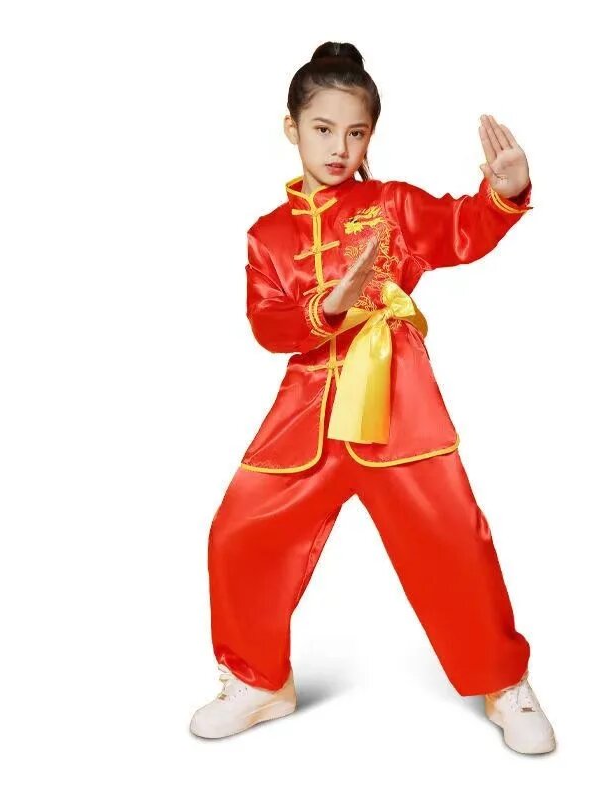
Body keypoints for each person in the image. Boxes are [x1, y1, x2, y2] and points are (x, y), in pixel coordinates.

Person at [190, 40, 556, 755]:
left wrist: (503, 195)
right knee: (239, 530)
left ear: (371, 137)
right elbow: (267, 324)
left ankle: (503, 683)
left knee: (455, 539)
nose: (340, 147)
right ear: (292, 128)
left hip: (399, 409)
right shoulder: (267, 236)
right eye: (323, 129)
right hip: (308, 415)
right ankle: (258, 681)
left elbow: (458, 229)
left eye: (355, 132)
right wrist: (325, 307)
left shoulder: (392, 204)